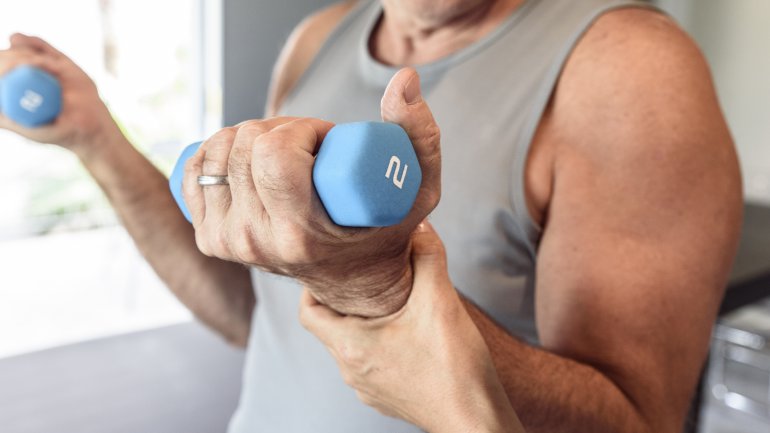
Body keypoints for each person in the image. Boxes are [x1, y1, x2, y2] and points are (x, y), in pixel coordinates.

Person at [0, 0, 742, 431]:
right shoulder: (318, 39)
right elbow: (255, 317)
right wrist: (94, 139)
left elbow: (632, 421)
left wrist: (380, 290)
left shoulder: (629, 66)